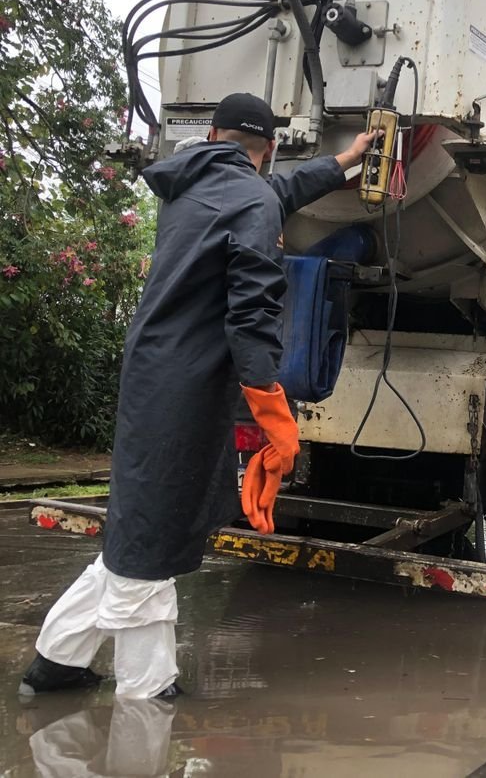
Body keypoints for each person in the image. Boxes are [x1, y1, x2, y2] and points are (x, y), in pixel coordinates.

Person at [19, 93, 380, 700]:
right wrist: (270, 403)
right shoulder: (253, 197)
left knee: (138, 526)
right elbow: (251, 312)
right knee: (155, 534)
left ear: (213, 137)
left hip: (153, 371)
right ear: (265, 152)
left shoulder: (192, 188)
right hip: (186, 385)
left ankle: (54, 664)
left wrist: (342, 159)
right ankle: (147, 695)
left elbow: (277, 195)